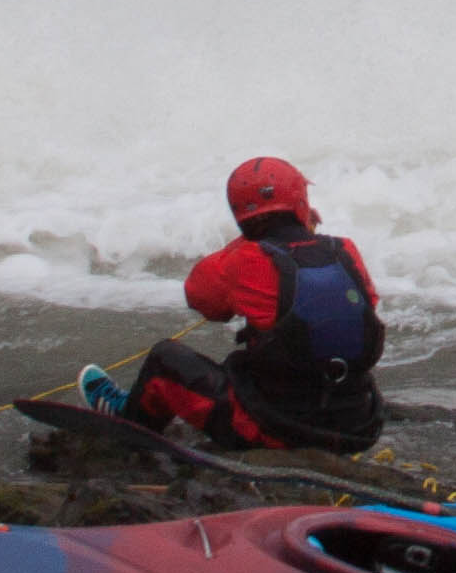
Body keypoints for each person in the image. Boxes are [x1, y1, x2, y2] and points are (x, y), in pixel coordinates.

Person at [85, 156, 386, 453]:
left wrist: (248, 241)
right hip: (359, 423)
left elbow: (199, 297)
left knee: (164, 359)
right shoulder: (346, 250)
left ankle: (126, 421)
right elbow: (359, 308)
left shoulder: (245, 259)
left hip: (279, 430)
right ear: (301, 201)